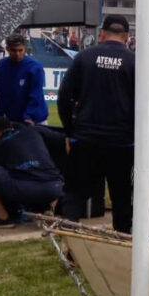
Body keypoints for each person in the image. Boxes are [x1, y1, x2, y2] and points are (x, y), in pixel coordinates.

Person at [58, 15, 136, 232]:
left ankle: (71, 240)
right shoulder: (134, 61)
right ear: (127, 37)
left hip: (85, 138)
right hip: (122, 142)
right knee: (121, 195)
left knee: (75, 192)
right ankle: (122, 242)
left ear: (102, 33)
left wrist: (68, 131)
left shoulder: (84, 57)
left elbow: (64, 96)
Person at [0, 117, 63, 229]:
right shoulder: (33, 130)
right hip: (55, 187)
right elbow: (60, 139)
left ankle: (3, 217)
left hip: (25, 189)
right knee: (50, 169)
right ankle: (49, 208)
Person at [0, 33, 48, 125]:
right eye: (13, 50)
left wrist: (29, 116)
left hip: (35, 120)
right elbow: (0, 94)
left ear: (25, 48)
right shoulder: (1, 66)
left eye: (20, 50)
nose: (17, 54)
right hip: (13, 120)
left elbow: (36, 94)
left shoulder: (35, 67)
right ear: (7, 49)